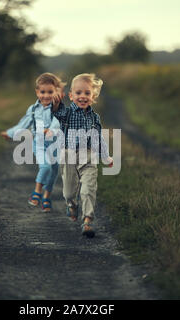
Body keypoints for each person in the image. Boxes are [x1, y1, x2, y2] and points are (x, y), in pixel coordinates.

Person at [52, 73, 113, 238]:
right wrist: (56, 104)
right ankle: (71, 205)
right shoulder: (67, 113)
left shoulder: (95, 118)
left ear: (93, 97)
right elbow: (57, 113)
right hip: (69, 156)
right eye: (78, 93)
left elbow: (98, 138)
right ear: (71, 96)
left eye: (87, 93)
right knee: (69, 192)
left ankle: (87, 221)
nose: (83, 96)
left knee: (88, 189)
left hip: (88, 156)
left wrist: (105, 156)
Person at [0, 73, 65, 213]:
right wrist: (10, 133)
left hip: (55, 145)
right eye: (42, 92)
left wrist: (52, 130)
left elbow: (58, 122)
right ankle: (36, 192)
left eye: (50, 92)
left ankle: (47, 197)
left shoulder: (59, 108)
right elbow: (23, 124)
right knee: (46, 167)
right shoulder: (33, 110)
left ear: (56, 92)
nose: (46, 96)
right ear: (37, 92)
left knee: (53, 172)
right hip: (40, 144)